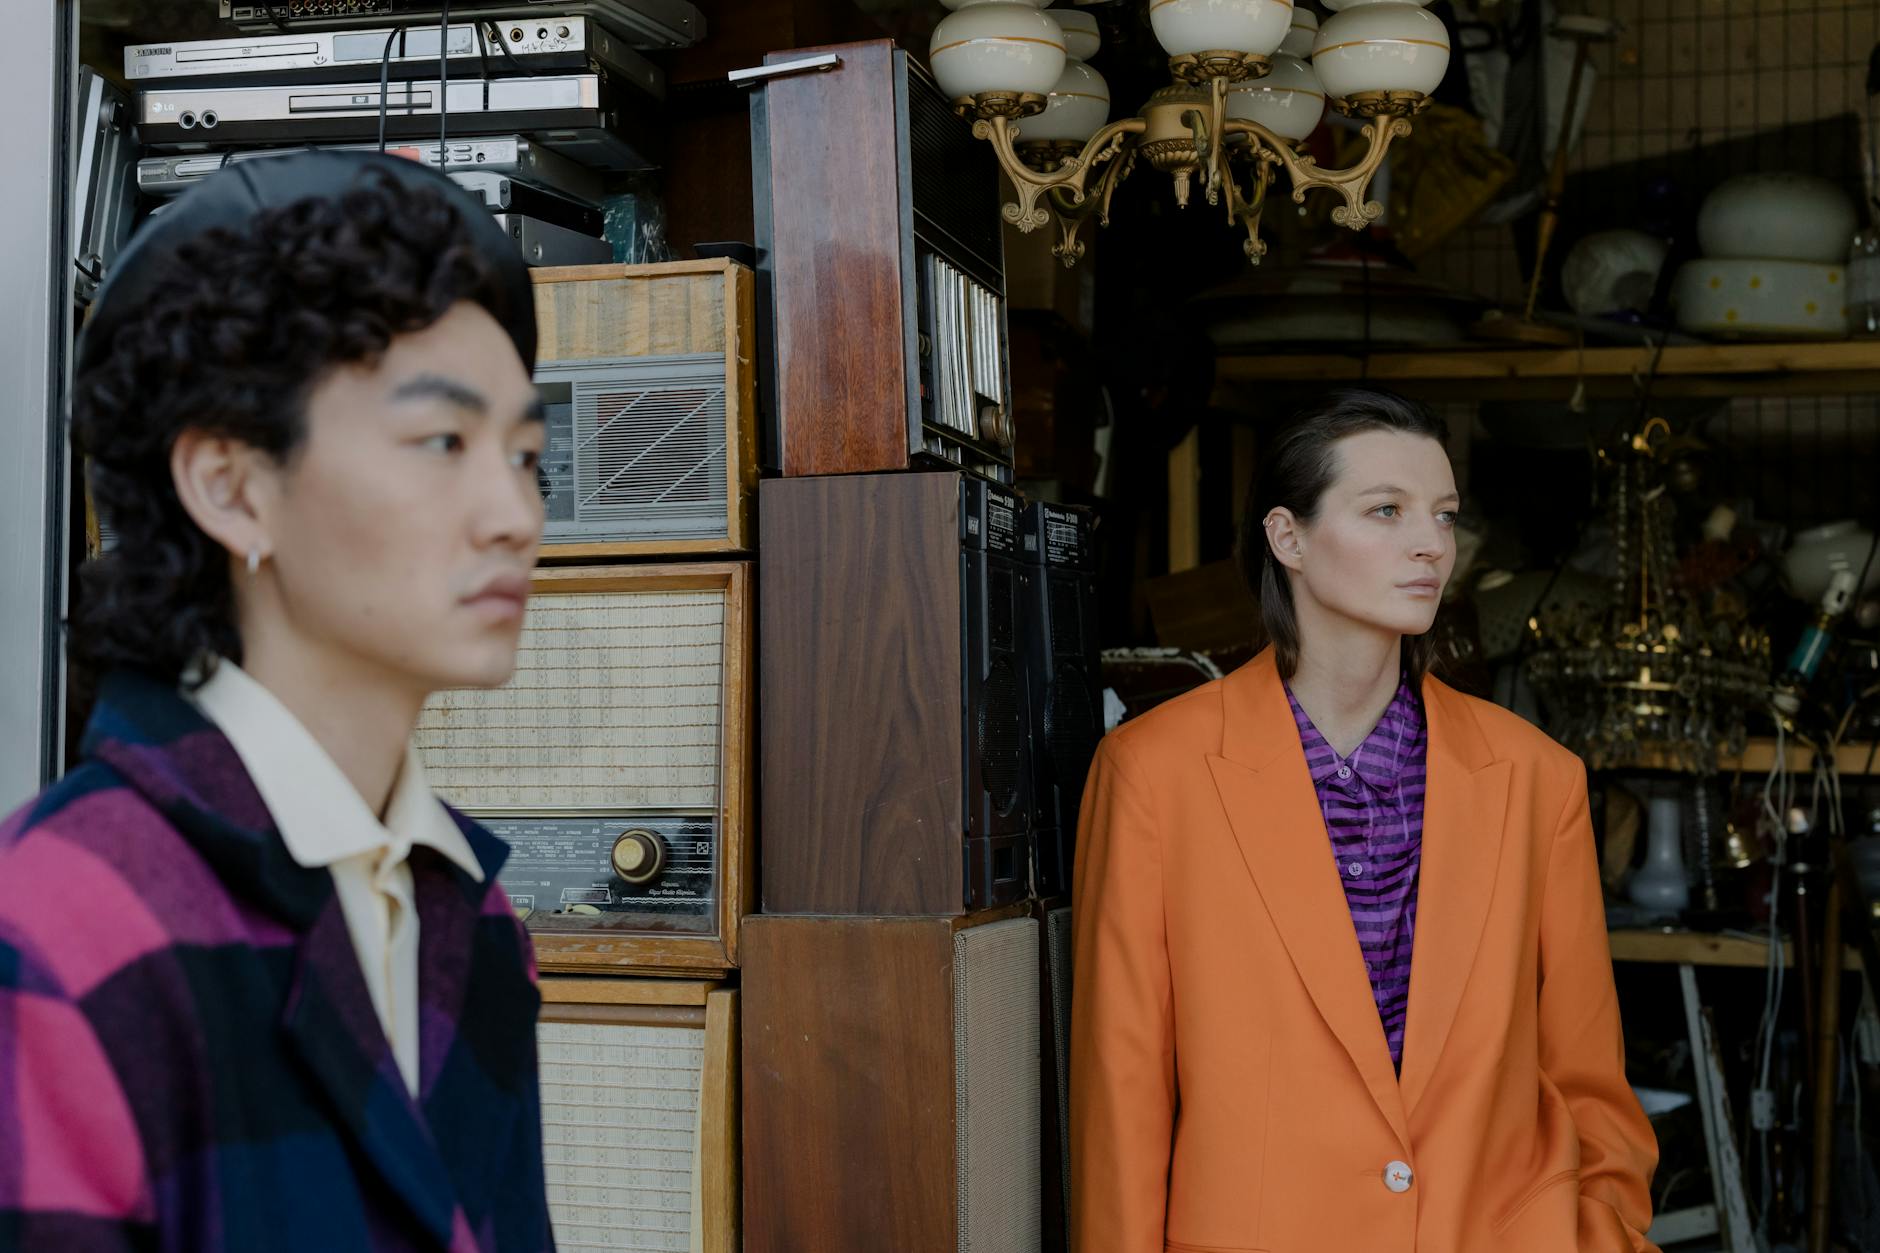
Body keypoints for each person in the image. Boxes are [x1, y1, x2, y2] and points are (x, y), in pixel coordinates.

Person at [0, 153, 555, 1252]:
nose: (516, 514)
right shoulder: (56, 928)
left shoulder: (481, 927)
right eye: (442, 442)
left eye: (528, 454)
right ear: (230, 485)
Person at [1069, 390, 1659, 1252]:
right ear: (1288, 537)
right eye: (1386, 510)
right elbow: (1121, 1096)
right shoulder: (1155, 776)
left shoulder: (1538, 779)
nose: (1431, 543)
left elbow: (1589, 1082)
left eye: (1444, 515)